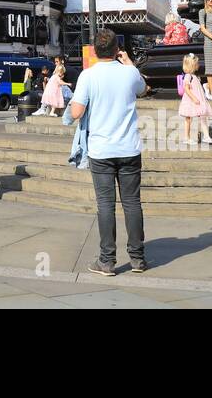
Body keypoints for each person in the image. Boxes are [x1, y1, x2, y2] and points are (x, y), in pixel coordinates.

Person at [69, 31, 150, 275]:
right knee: (132, 203)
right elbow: (144, 89)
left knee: (105, 204)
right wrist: (129, 64)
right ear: (117, 50)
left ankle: (107, 261)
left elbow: (76, 112)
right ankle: (137, 259)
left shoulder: (88, 75)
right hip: (129, 148)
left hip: (102, 149)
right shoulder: (129, 73)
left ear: (94, 50)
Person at [176, 52, 212, 145]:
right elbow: (186, 88)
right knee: (188, 119)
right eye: (197, 63)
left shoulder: (195, 76)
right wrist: (194, 98)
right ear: (192, 65)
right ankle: (186, 137)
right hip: (191, 100)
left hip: (198, 100)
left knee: (203, 116)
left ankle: (206, 136)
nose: (199, 65)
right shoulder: (188, 76)